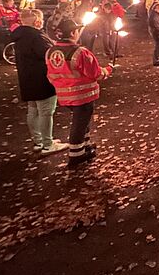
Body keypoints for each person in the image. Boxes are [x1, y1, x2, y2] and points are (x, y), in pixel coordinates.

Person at [45, 19, 113, 167]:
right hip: (82, 94)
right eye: (76, 31)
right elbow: (94, 73)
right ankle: (76, 155)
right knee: (79, 123)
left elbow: (51, 74)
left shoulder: (51, 51)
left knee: (83, 121)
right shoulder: (80, 52)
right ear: (72, 33)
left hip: (64, 95)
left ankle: (85, 145)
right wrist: (107, 70)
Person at [12, 9, 68, 155]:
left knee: (33, 110)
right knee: (46, 112)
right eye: (41, 20)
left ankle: (39, 141)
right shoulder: (37, 37)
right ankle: (48, 144)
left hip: (27, 78)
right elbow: (50, 55)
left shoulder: (20, 36)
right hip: (42, 78)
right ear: (37, 21)